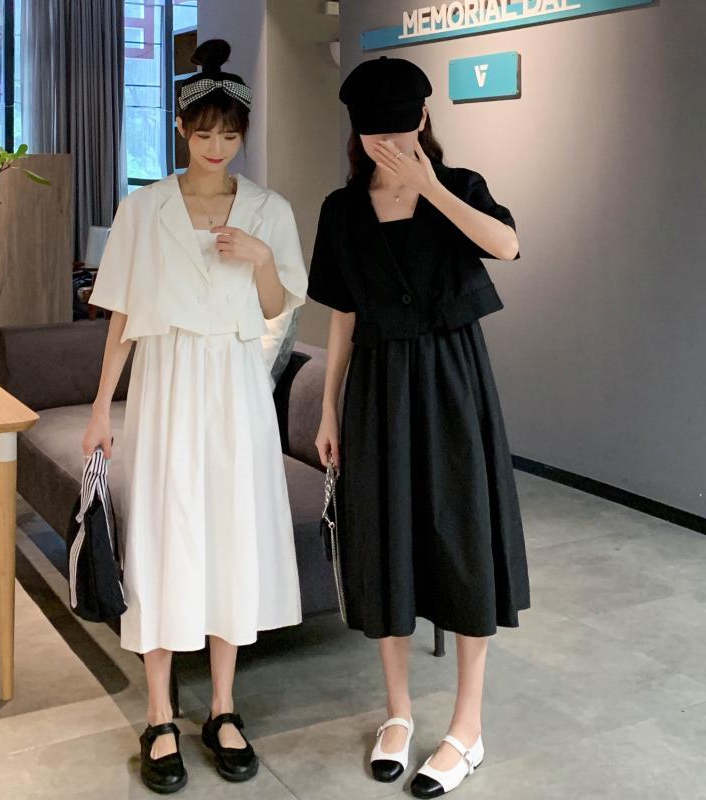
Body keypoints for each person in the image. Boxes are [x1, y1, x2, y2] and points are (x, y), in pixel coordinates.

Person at [82, 39, 307, 795]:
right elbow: (120, 314)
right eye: (204, 132)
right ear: (181, 128)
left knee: (229, 535)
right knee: (163, 533)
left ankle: (222, 707)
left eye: (230, 135)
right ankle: (158, 715)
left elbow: (277, 308)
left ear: (244, 135)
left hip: (236, 385)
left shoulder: (270, 211)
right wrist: (100, 407)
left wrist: (261, 259)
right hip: (168, 379)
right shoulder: (144, 209)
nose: (217, 147)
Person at [308, 56, 530, 799]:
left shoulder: (459, 185)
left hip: (453, 382)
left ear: (424, 120)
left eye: (401, 131)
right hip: (376, 387)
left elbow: (507, 245)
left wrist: (430, 186)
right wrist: (329, 407)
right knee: (385, 540)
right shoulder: (342, 210)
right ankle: (398, 714)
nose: (390, 146)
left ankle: (467, 726)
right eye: (377, 135)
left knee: (465, 540)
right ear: (357, 133)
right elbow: (343, 312)